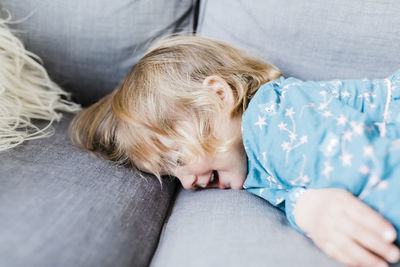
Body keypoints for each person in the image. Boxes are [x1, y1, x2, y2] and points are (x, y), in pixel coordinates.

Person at [69, 35, 400, 267]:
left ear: (217, 96)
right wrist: (304, 208)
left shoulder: (271, 117)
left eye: (177, 159)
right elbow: (291, 189)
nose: (186, 183)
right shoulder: (253, 162)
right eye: (172, 174)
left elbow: (374, 168)